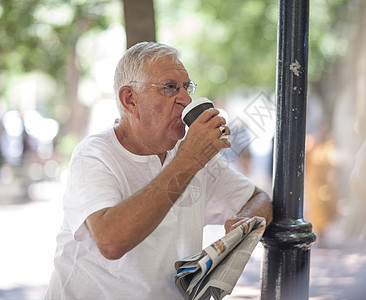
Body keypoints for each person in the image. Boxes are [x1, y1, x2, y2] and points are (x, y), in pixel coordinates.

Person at [45, 42, 272, 299]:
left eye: (186, 87)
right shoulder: (94, 155)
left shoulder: (191, 157)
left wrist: (244, 222)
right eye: (169, 88)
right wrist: (188, 160)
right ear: (130, 100)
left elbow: (259, 199)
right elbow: (111, 241)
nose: (186, 99)